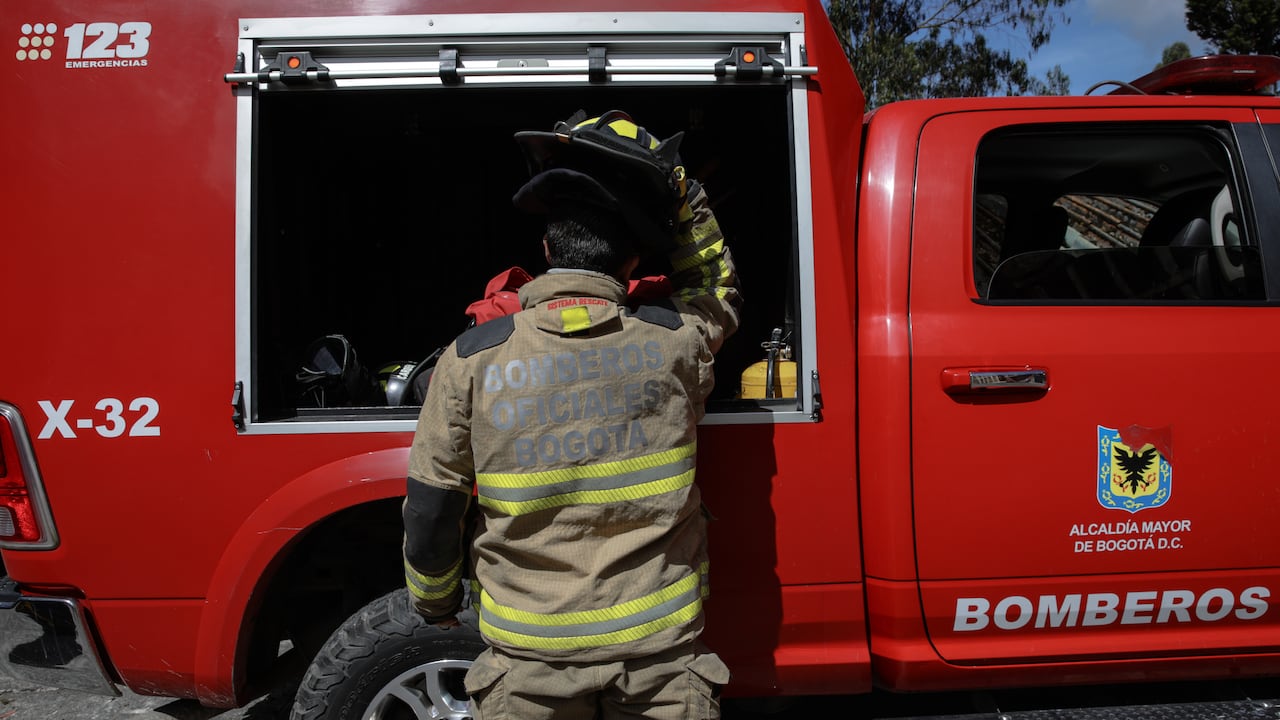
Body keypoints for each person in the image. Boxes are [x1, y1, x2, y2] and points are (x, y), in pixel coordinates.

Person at [402, 110, 741, 720]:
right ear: (635, 262)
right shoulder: (677, 344)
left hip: (529, 667)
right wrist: (682, 191)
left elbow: (432, 506)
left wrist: (434, 603)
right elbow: (717, 288)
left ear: (546, 248)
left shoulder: (471, 360)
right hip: (660, 661)